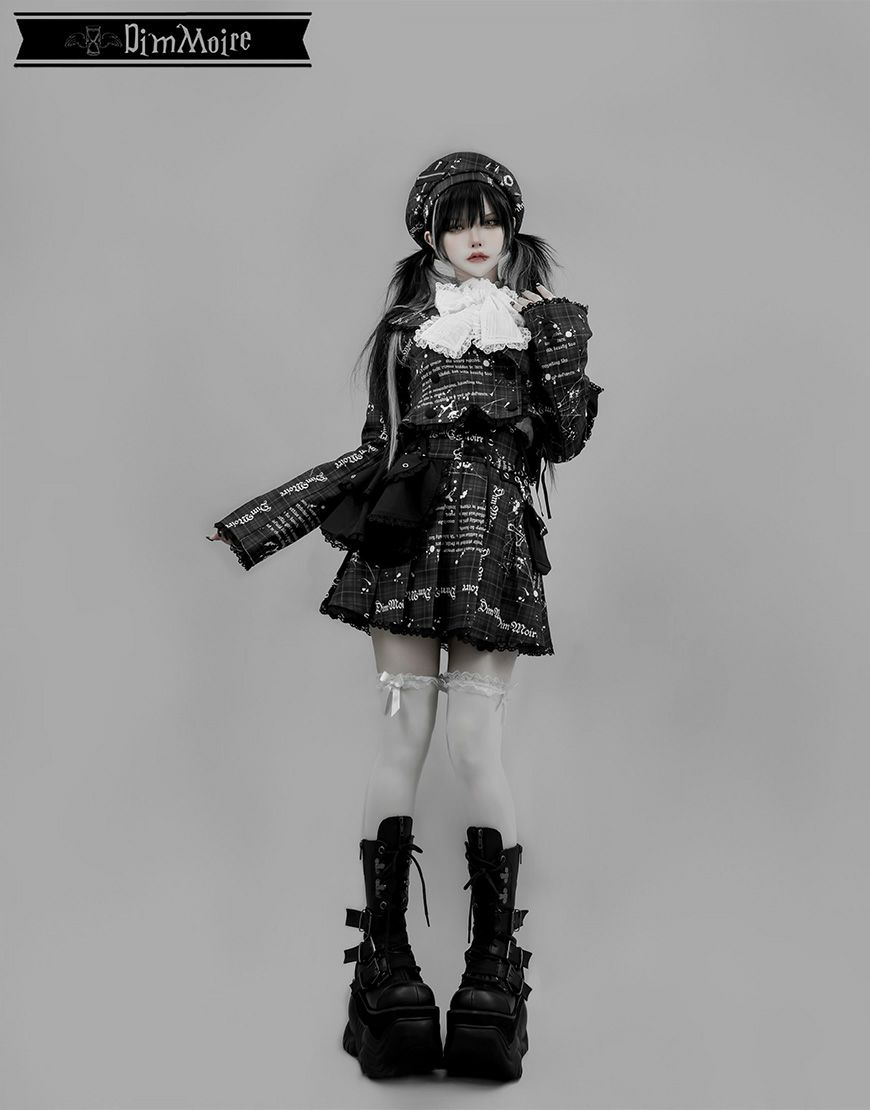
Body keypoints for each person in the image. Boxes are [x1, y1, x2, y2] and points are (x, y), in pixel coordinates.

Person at [207, 151, 603, 1083]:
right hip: (407, 545)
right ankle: (385, 972)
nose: (476, 236)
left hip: (494, 548)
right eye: (458, 222)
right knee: (404, 737)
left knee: (474, 743)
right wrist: (267, 519)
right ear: (430, 236)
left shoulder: (536, 326)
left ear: (510, 230)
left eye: (489, 219)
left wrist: (557, 338)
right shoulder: (404, 332)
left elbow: (568, 437)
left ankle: (492, 975)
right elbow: (375, 451)